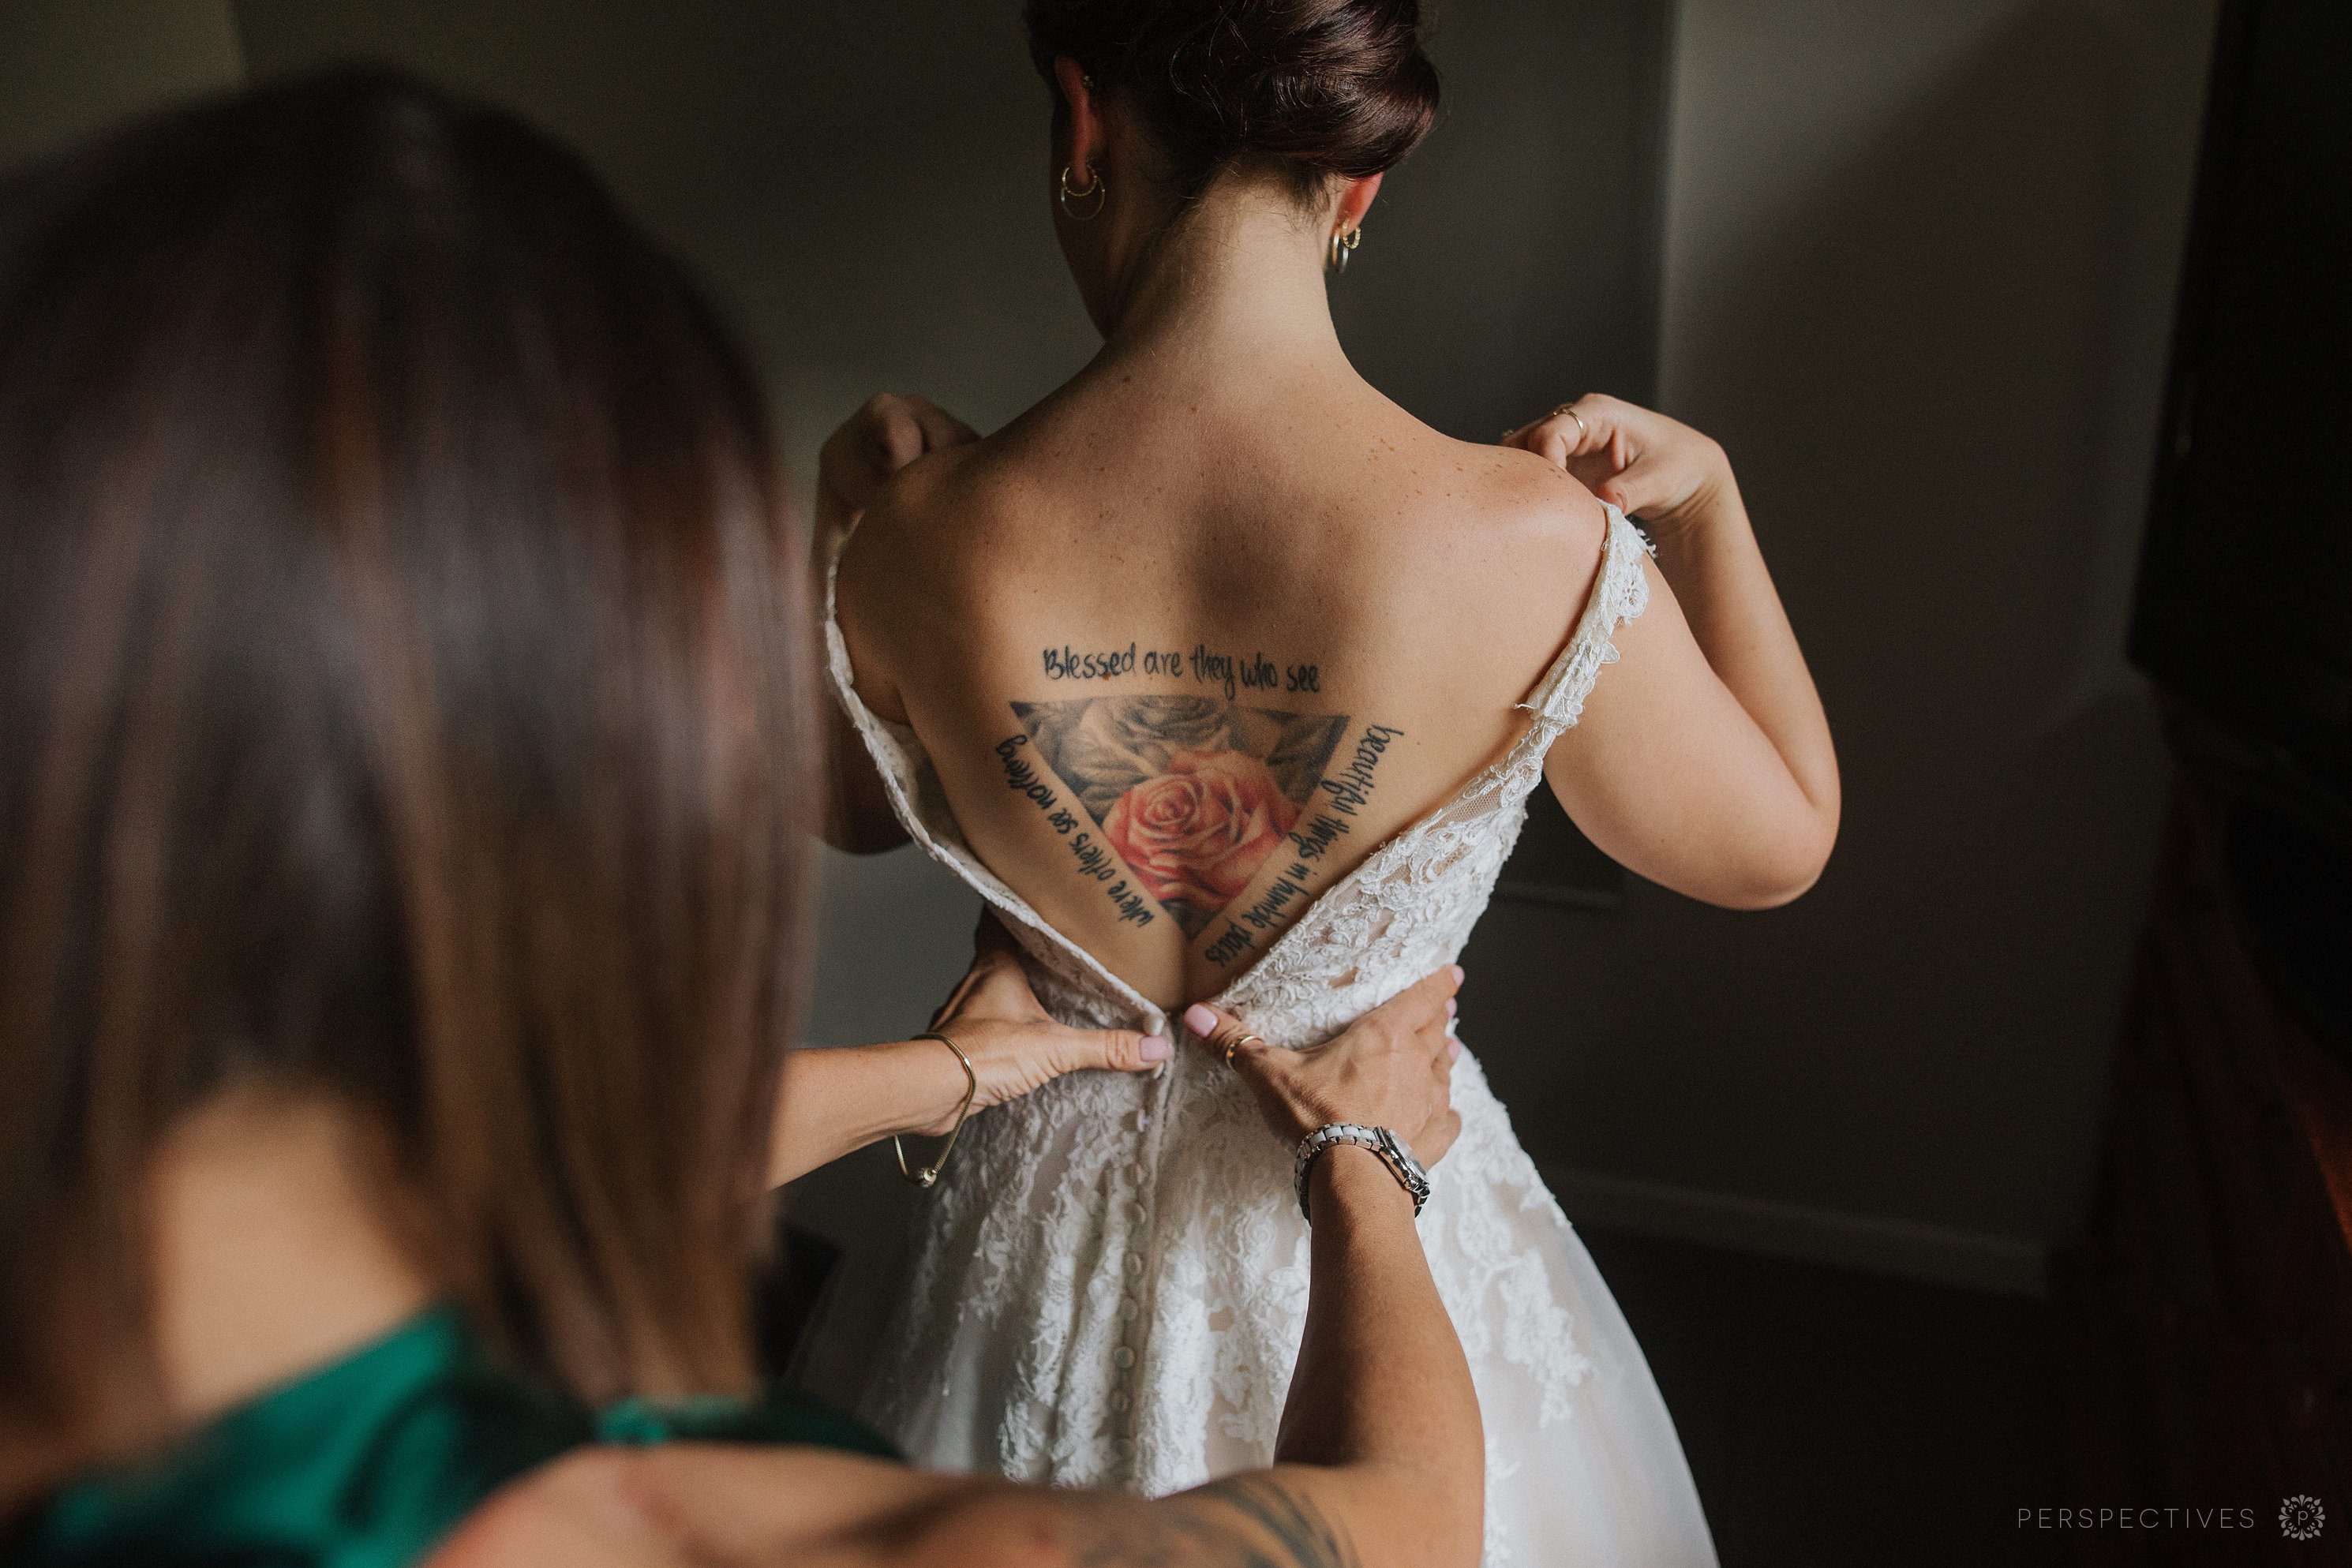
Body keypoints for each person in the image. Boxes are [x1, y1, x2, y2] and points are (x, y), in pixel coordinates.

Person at [0, 69, 1483, 1568]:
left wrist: (943, 1078)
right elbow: (1412, 1531)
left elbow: (549, 1180)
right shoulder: (681, 1533)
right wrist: (1365, 1165)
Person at [820, 0, 1839, 1560]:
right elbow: (1771, 846)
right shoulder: (1534, 547)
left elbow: (838, 801)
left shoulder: (912, 532)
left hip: (1018, 1253)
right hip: (1362, 1240)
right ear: (1356, 181)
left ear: (1080, 124)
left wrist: (841, 508)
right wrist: (1708, 507)